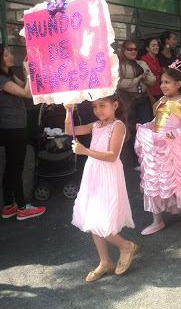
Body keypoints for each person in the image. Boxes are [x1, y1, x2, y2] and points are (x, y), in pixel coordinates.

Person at [64, 95, 137, 282]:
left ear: (115, 105)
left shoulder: (117, 125)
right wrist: (68, 111)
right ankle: (105, 261)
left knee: (99, 218)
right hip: (93, 172)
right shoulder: (96, 125)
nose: (98, 110)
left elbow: (112, 155)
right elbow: (69, 129)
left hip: (107, 173)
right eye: (95, 106)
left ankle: (125, 246)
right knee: (91, 217)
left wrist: (85, 151)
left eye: (102, 105)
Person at [0, 43, 45, 220]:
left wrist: (26, 73)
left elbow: (29, 91)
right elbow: (26, 94)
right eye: (6, 54)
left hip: (13, 127)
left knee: (11, 166)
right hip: (12, 128)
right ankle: (23, 208)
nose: (11, 56)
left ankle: (9, 205)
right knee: (16, 167)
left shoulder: (5, 76)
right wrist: (28, 71)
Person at [134, 68, 181, 235]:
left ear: (178, 84)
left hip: (174, 147)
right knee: (155, 181)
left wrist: (178, 133)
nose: (163, 85)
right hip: (157, 146)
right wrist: (146, 126)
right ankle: (157, 220)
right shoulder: (162, 100)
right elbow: (157, 122)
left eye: (167, 82)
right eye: (162, 82)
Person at [116, 40, 156, 169]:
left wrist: (144, 78)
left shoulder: (142, 63)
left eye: (135, 49)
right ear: (123, 50)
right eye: (129, 49)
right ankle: (132, 161)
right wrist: (138, 79)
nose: (133, 51)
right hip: (127, 100)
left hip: (142, 99)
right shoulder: (119, 65)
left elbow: (153, 79)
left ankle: (147, 159)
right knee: (130, 130)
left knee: (146, 129)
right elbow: (120, 84)